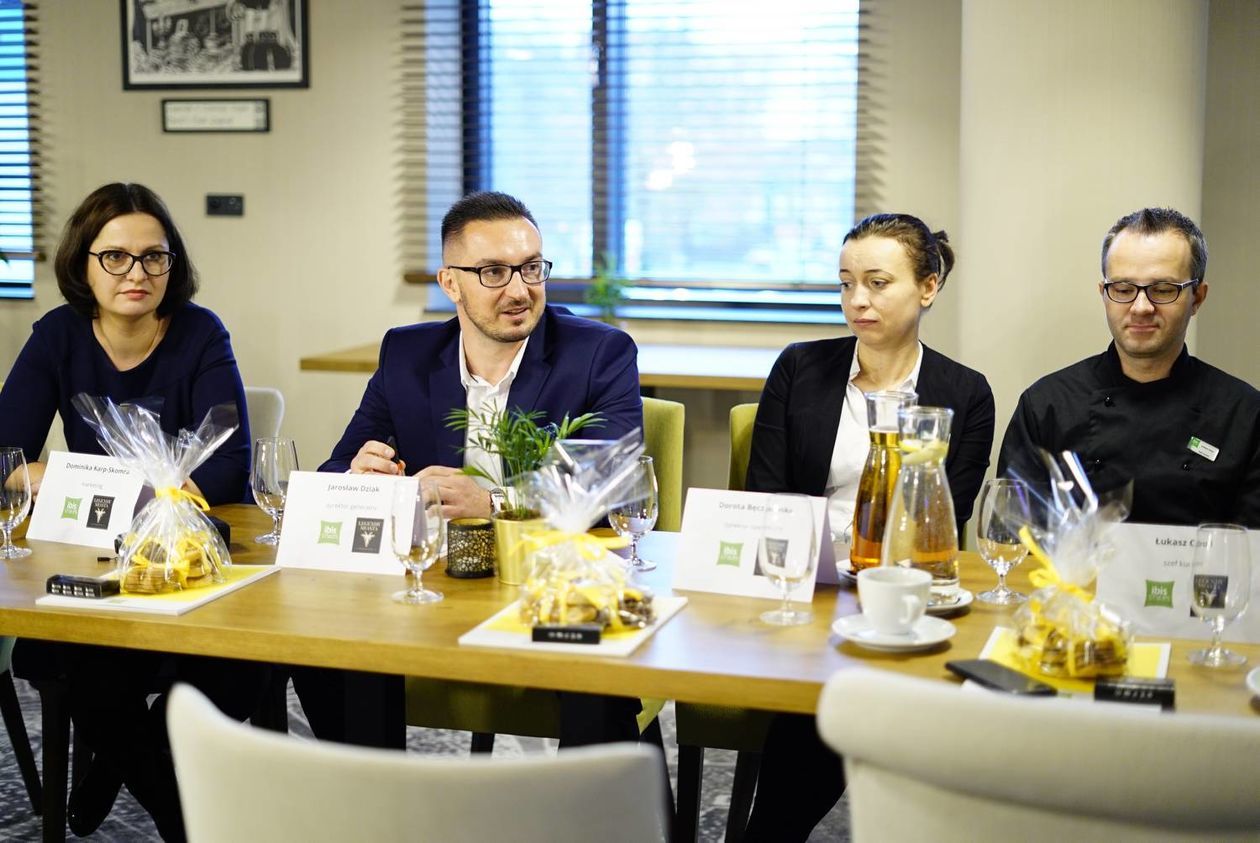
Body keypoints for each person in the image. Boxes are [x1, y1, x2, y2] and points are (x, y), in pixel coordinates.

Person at [296, 191, 645, 746]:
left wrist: (496, 503)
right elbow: (336, 467)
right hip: (434, 581)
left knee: (596, 677)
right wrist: (363, 478)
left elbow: (612, 487)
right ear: (450, 283)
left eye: (532, 267)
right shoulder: (407, 354)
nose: (520, 290)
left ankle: (612, 797)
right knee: (318, 645)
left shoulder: (598, 353)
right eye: (493, 272)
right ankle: (371, 789)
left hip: (548, 578)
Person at [0, 183, 263, 842]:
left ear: (172, 264)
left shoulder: (200, 331)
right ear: (83, 264)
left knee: (238, 669)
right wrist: (149, 483)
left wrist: (74, 477)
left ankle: (115, 767)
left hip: (192, 564)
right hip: (92, 568)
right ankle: (186, 821)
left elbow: (229, 470)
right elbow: (3, 456)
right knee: (90, 678)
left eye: (154, 256)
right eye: (115, 256)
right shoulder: (58, 335)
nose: (136, 273)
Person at [742, 212, 995, 842]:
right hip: (808, 589)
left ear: (928, 287)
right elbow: (767, 497)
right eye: (846, 283)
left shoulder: (965, 393)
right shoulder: (800, 368)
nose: (858, 300)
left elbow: (944, 520)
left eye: (878, 283)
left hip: (907, 595)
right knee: (827, 686)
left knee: (859, 687)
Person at [998, 207, 1260, 527]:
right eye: (1123, 289)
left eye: (1163, 290)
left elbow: (1251, 547)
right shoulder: (1046, 405)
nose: (1141, 307)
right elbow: (1012, 532)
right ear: (1104, 294)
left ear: (1197, 298)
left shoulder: (1244, 415)